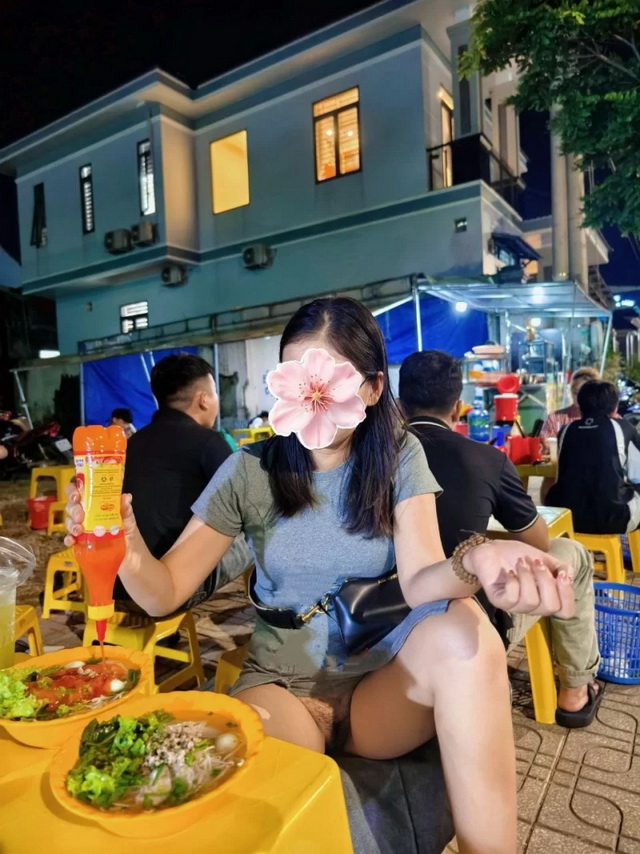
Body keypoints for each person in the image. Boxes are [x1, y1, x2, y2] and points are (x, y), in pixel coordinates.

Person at [67, 297, 577, 852]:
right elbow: (163, 593)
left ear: (373, 388)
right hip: (283, 687)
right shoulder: (248, 470)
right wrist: (126, 544)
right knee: (241, 790)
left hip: (381, 689)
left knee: (467, 629)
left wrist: (475, 558)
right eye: (297, 379)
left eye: (330, 380)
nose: (312, 397)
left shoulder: (399, 455)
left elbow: (421, 581)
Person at [399, 350, 601, 727]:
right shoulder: (484, 458)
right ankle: (575, 691)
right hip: (466, 620)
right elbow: (538, 542)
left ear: (399, 404)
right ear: (457, 408)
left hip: (385, 618)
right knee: (571, 553)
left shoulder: (372, 458)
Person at [113, 353, 251, 611]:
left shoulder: (132, 443)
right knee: (256, 535)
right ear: (204, 399)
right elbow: (245, 506)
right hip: (167, 591)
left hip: (120, 587)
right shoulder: (209, 442)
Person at [547, 380, 640, 534]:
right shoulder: (624, 427)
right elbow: (637, 475)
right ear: (615, 407)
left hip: (568, 517)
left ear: (580, 406)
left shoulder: (566, 430)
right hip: (615, 519)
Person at [540, 366, 600, 440]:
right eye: (576, 392)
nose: (579, 397)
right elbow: (544, 442)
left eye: (584, 393)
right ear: (571, 391)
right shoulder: (555, 419)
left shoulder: (603, 420)